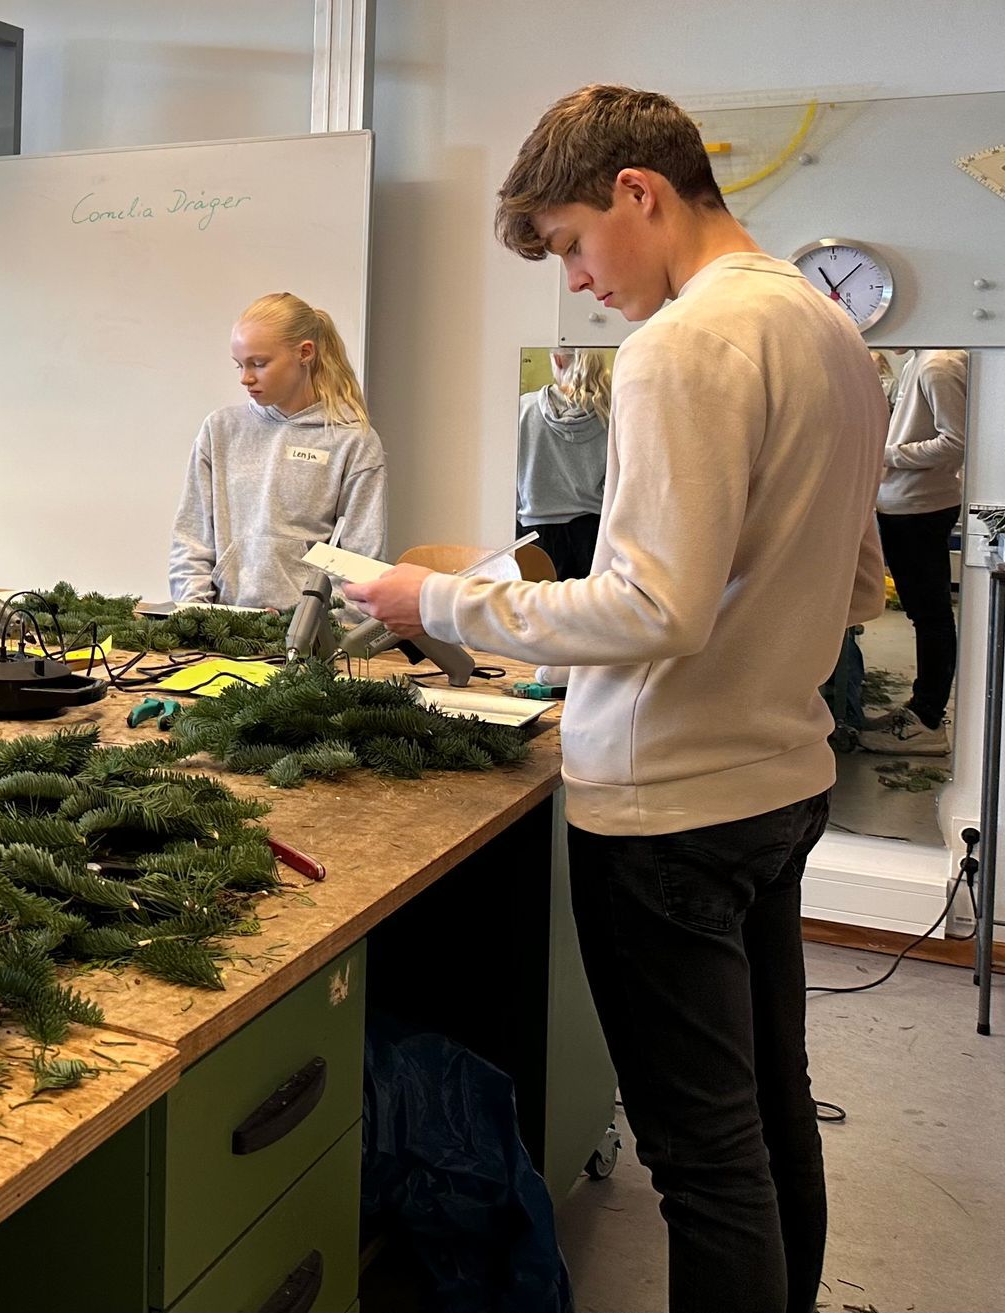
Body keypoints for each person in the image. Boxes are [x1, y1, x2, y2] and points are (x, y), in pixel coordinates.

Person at [349, 86, 886, 1313]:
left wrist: (439, 601)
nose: (581, 281)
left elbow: (655, 608)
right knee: (768, 1115)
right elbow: (858, 581)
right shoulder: (827, 328)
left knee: (703, 1160)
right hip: (781, 783)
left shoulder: (682, 343)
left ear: (639, 191)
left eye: (573, 244)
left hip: (669, 808)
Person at [168, 292, 387, 610]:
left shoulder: (352, 441)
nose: (245, 378)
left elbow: (361, 561)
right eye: (239, 365)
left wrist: (312, 624)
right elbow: (191, 540)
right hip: (220, 626)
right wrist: (197, 614)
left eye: (259, 364)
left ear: (305, 353)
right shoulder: (220, 430)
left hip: (308, 633)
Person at [858, 349, 967, 755]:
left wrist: (885, 454)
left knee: (931, 616)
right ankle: (922, 710)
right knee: (926, 614)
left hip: (920, 506)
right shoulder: (921, 361)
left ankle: (927, 720)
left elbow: (954, 443)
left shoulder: (940, 365)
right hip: (905, 503)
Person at [516, 348, 610, 580]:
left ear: (557, 359)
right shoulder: (610, 412)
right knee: (587, 604)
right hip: (593, 537)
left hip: (534, 539)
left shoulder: (522, 409)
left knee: (534, 602)